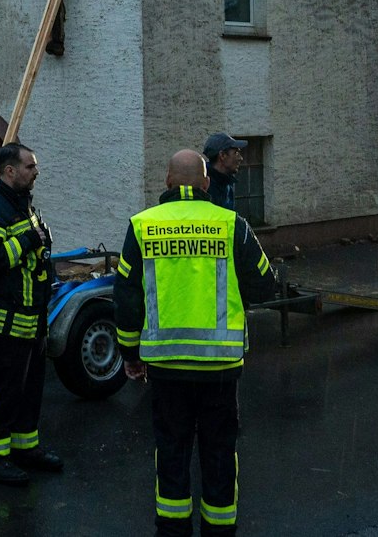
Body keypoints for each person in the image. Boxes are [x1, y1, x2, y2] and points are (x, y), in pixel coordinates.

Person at [114, 149, 279, 535]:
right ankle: (219, 530)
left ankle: (172, 530)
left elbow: (126, 299)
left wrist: (130, 353)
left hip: (166, 368)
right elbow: (265, 284)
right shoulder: (231, 224)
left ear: (168, 181)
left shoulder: (142, 226)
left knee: (171, 453)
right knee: (219, 454)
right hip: (220, 368)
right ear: (206, 183)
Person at [0, 142, 63, 485]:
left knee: (28, 389)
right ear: (9, 171)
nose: (36, 171)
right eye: (30, 166)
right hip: (1, 322)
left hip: (29, 320)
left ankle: (25, 449)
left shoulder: (22, 205)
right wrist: (26, 242)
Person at [201, 133, 246, 212]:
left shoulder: (226, 183)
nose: (240, 158)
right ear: (222, 155)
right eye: (236, 153)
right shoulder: (205, 186)